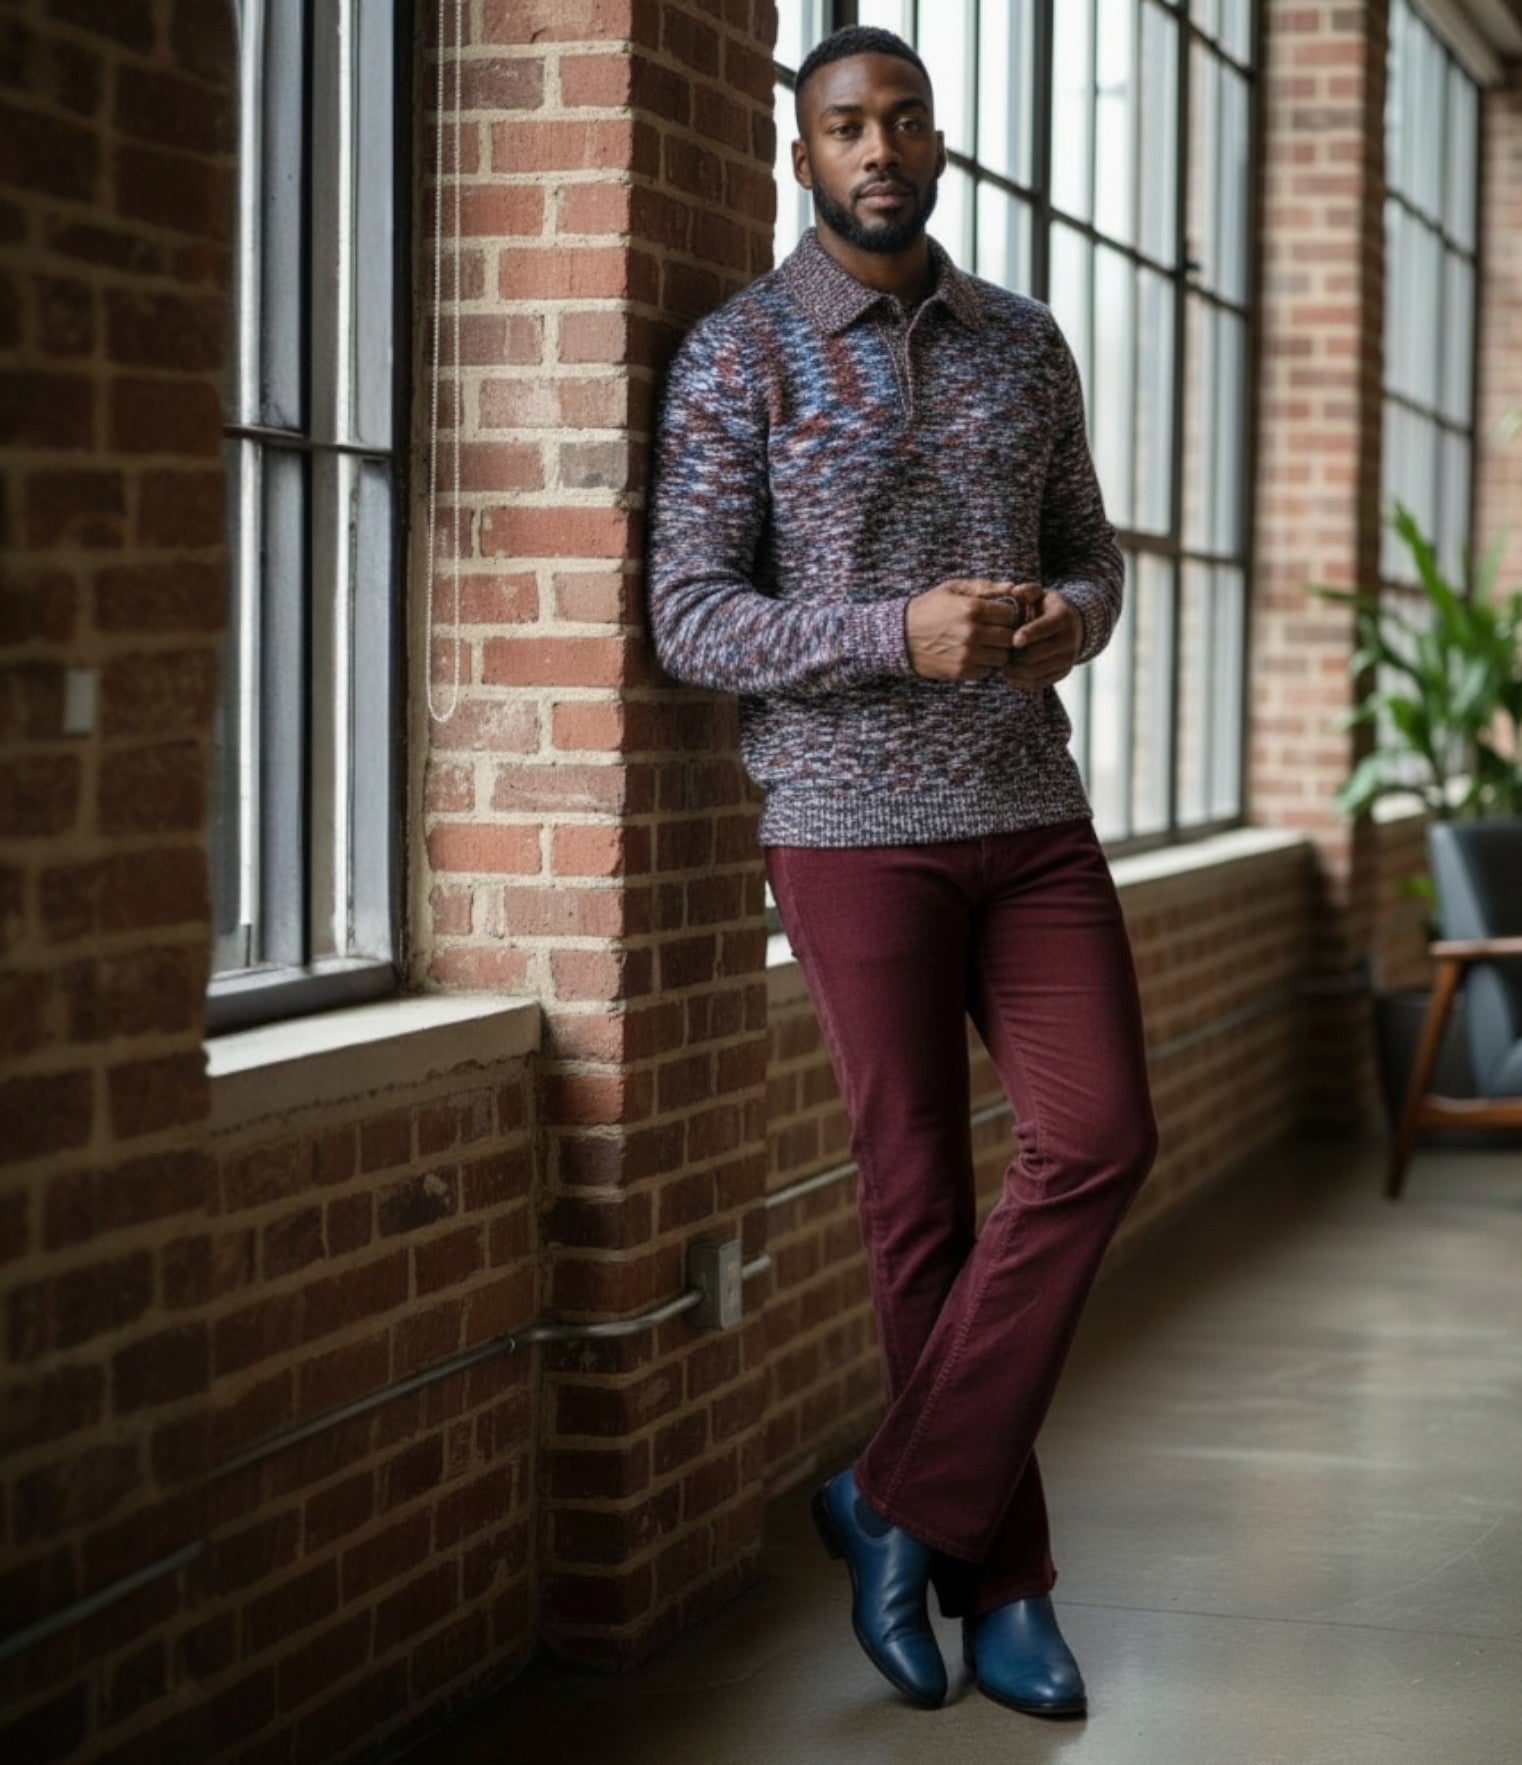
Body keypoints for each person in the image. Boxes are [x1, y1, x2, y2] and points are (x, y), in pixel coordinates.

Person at [645, 24, 1158, 1720]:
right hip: (847, 828)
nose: (878, 146)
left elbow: (1090, 550)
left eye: (903, 118)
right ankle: (1003, 1585)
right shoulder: (743, 358)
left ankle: (890, 1498)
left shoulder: (1023, 345)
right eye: (843, 127)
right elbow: (691, 614)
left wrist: (1058, 626)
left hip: (1025, 810)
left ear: (938, 140)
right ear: (802, 159)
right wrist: (902, 630)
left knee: (1094, 1139)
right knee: (915, 1208)